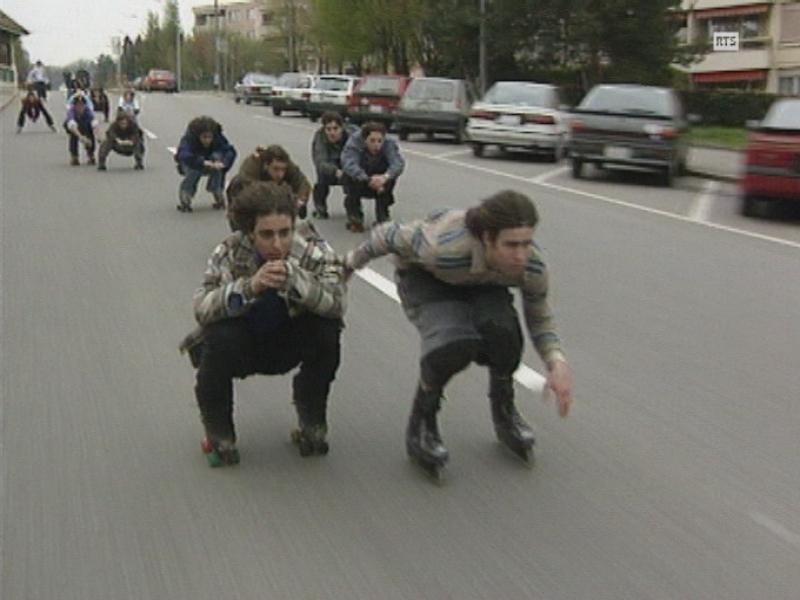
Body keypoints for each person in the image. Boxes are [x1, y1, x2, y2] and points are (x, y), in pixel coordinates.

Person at [343, 190, 573, 478]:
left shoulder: (531, 265)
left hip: (483, 282)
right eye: (511, 244)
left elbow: (538, 313)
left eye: (526, 243)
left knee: (506, 336)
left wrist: (555, 361)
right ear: (487, 238)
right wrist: (351, 263)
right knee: (452, 344)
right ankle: (423, 422)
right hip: (426, 278)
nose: (520, 255)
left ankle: (504, 409)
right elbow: (387, 235)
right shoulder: (442, 246)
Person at [179, 181, 347, 466]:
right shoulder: (230, 251)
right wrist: (249, 288)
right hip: (244, 346)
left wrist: (297, 281)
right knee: (217, 336)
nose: (278, 244)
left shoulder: (312, 251)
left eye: (285, 232)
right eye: (266, 235)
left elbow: (338, 301)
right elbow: (202, 306)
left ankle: (312, 418)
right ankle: (220, 431)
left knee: (327, 331)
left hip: (291, 342)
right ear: (249, 232)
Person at [340, 121, 405, 232]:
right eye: (372, 141)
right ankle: (355, 217)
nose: (376, 145)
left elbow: (397, 163)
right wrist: (367, 179)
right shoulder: (354, 143)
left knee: (392, 178)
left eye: (380, 141)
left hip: (380, 179)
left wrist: (385, 177)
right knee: (348, 176)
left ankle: (382, 215)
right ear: (365, 139)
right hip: (360, 178)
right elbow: (349, 163)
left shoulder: (389, 143)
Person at [227, 144, 311, 222]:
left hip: (276, 193)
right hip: (251, 197)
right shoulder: (251, 166)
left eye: (283, 170)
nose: (280, 174)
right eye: (275, 169)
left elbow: (302, 182)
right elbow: (253, 190)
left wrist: (300, 200)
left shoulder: (289, 166)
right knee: (237, 183)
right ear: (266, 165)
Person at [175, 116, 237, 212]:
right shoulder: (189, 139)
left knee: (217, 159)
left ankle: (217, 191)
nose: (207, 140)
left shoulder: (218, 138)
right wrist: (201, 162)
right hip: (192, 164)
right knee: (194, 171)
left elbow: (230, 151)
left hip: (212, 162)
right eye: (204, 137)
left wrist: (224, 163)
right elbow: (183, 154)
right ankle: (186, 196)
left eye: (209, 137)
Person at [310, 112, 357, 219]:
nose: (332, 133)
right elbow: (320, 161)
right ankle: (320, 207)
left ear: (342, 127)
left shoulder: (352, 137)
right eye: (328, 129)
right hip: (330, 167)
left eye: (336, 129)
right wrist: (335, 171)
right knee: (322, 178)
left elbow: (359, 156)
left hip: (348, 166)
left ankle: (354, 210)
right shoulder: (320, 138)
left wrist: (351, 171)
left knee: (355, 185)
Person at [64, 93, 100, 166]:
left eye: (81, 105)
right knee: (73, 135)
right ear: (74, 105)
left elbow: (94, 124)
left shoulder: (88, 111)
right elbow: (72, 125)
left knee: (90, 134)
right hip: (74, 127)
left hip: (85, 125)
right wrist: (81, 137)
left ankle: (90, 154)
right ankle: (74, 156)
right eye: (77, 105)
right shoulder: (71, 111)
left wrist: (97, 136)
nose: (79, 107)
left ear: (84, 105)